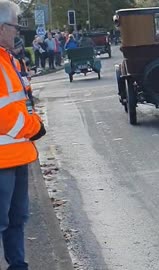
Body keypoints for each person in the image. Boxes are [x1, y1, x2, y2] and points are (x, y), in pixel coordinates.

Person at [0, 1, 47, 270]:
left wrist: (33, 122)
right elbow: (5, 116)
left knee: (17, 218)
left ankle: (18, 266)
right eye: (14, 26)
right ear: (0, 27)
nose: (17, 31)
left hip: (17, 155)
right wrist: (34, 127)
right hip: (3, 159)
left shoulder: (8, 59)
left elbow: (22, 102)